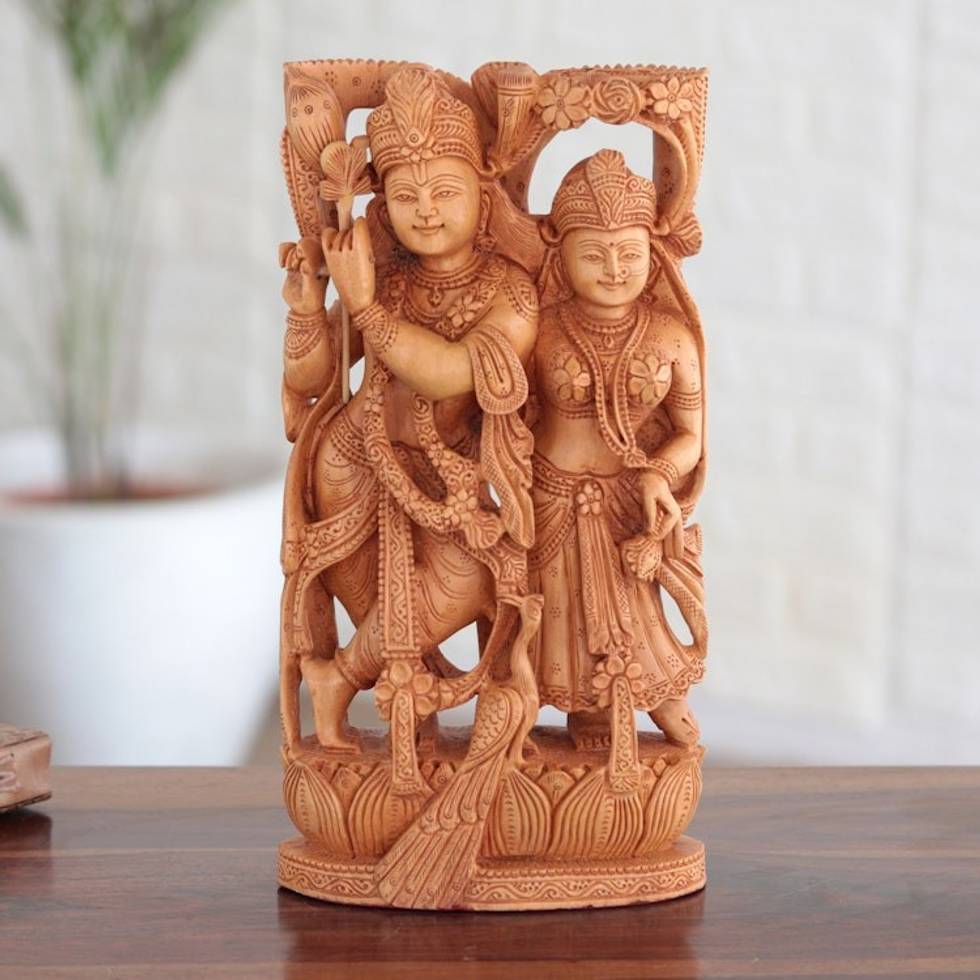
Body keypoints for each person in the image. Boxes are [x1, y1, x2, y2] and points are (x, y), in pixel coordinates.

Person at [279, 66, 538, 751]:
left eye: (445, 191)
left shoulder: (510, 292)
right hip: (353, 462)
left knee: (471, 578)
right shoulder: (386, 278)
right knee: (391, 600)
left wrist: (365, 306)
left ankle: (342, 678)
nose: (425, 210)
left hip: (447, 475)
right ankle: (396, 705)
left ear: (483, 197)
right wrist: (309, 310)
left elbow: (452, 376)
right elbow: (319, 375)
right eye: (404, 195)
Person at [529, 149, 707, 749]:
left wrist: (659, 474)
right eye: (593, 254)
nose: (613, 269)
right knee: (558, 614)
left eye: (629, 254)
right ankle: (585, 714)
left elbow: (690, 434)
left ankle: (658, 697)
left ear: (651, 253)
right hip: (550, 497)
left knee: (636, 613)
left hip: (631, 503)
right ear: (561, 254)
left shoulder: (671, 337)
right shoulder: (539, 327)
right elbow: (504, 415)